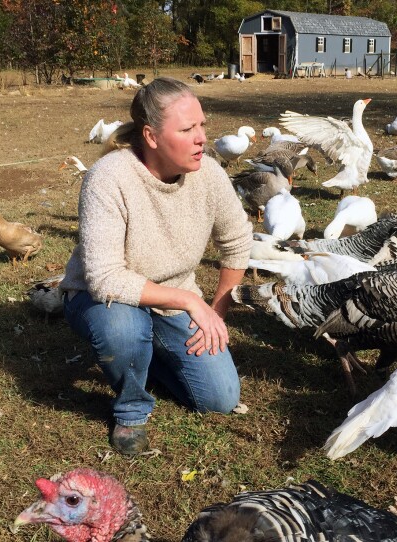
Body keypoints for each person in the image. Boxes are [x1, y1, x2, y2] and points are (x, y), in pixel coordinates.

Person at [59, 77, 252, 456]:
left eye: (202, 126)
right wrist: (190, 302)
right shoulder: (109, 178)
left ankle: (143, 357)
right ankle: (131, 410)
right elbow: (104, 279)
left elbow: (237, 239)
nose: (201, 138)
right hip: (104, 298)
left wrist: (216, 311)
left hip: (171, 300)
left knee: (220, 398)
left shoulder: (209, 173)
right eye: (186, 129)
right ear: (150, 136)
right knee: (123, 326)